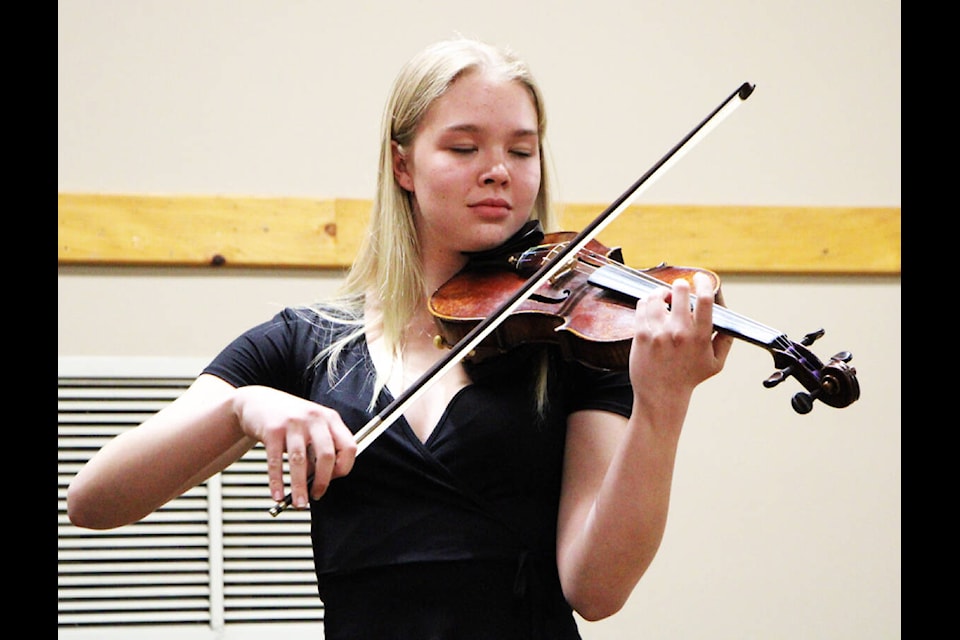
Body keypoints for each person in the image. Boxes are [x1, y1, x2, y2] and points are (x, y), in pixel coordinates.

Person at [67, 36, 732, 639]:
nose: (498, 169)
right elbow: (95, 500)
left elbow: (597, 589)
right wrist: (243, 406)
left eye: (521, 150)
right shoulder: (303, 344)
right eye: (464, 147)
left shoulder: (568, 339)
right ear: (403, 165)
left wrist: (662, 405)